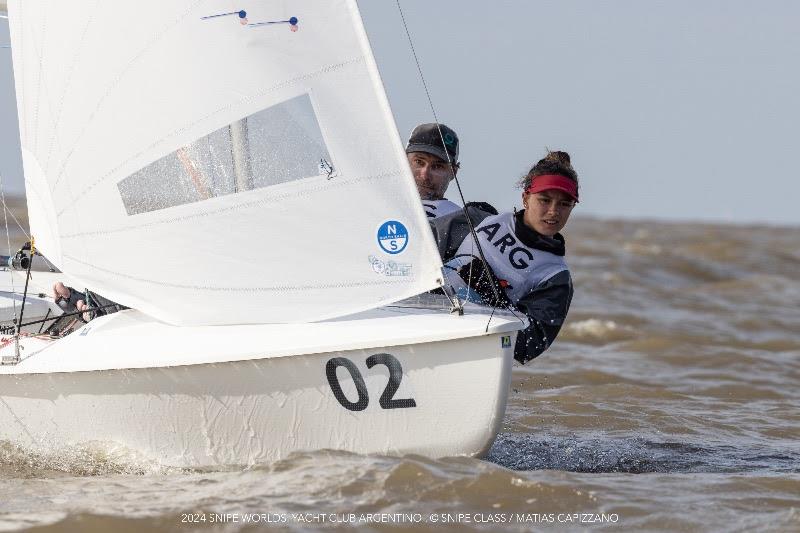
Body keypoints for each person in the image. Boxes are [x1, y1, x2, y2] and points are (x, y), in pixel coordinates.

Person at [430, 150, 578, 364]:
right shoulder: (479, 218)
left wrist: (494, 297)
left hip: (466, 348)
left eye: (564, 204)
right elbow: (419, 250)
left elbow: (528, 347)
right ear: (526, 197)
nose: (554, 211)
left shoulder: (556, 278)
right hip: (419, 312)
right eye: (545, 200)